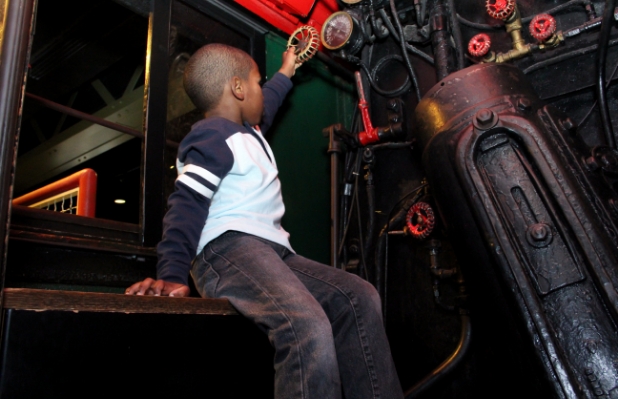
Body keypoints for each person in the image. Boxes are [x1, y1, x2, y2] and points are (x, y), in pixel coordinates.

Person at [126, 43, 404, 399]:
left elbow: (267, 102)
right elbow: (186, 204)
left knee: (358, 297)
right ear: (239, 89)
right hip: (228, 249)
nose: (263, 90)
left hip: (275, 253)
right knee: (306, 326)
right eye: (257, 82)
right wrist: (171, 274)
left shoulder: (249, 134)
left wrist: (288, 68)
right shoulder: (211, 136)